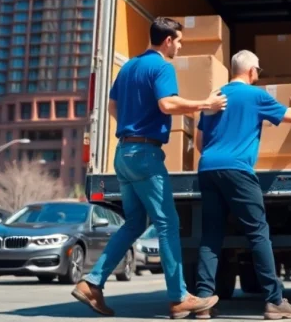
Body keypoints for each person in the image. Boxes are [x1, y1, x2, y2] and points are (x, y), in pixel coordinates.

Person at [72, 17, 228, 319]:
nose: (180, 46)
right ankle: (179, 297)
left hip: (124, 153)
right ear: (167, 40)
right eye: (179, 41)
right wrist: (204, 103)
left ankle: (92, 283)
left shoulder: (129, 66)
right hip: (145, 154)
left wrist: (132, 129)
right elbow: (167, 105)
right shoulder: (162, 67)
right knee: (168, 224)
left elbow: (113, 105)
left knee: (134, 223)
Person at [193, 50, 291, 320]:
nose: (258, 75)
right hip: (238, 170)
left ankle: (203, 302)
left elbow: (200, 143)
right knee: (258, 233)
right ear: (251, 71)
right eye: (258, 70)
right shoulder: (255, 96)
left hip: (208, 168)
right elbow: (290, 117)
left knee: (211, 235)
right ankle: (274, 300)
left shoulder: (215, 95)